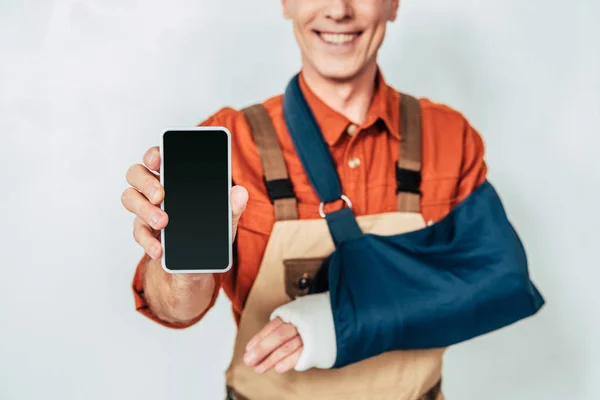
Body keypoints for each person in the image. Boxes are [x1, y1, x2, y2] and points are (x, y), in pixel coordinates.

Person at [121, 0, 489, 398]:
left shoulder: (450, 137)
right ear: (286, 4)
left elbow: (489, 285)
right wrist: (183, 269)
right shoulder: (231, 144)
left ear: (394, 5)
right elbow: (176, 309)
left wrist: (334, 324)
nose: (338, 10)